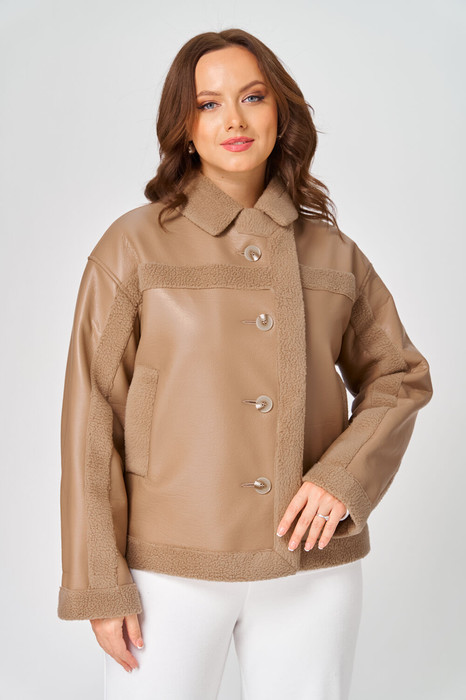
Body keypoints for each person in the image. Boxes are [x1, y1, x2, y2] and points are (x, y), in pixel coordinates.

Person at [57, 28, 433, 700]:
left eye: (253, 97)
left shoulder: (334, 252)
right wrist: (99, 581)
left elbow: (399, 376)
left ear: (280, 111)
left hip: (311, 568)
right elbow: (92, 417)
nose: (233, 119)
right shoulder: (132, 246)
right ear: (184, 126)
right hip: (167, 571)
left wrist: (343, 478)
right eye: (208, 104)